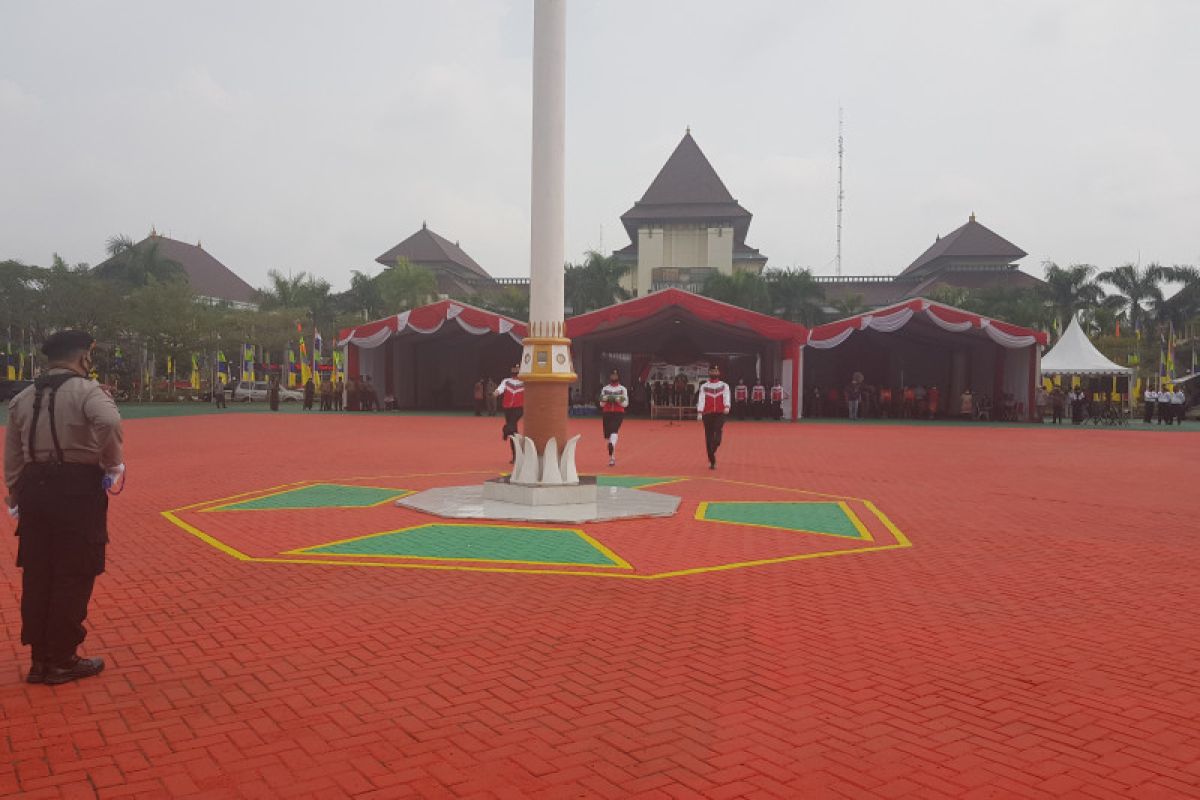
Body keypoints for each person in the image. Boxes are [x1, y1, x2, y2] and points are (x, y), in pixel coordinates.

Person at [4, 330, 123, 685]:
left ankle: (39, 659)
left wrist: (14, 493)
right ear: (84, 357)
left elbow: (11, 454)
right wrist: (112, 463)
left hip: (34, 490)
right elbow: (110, 422)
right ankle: (62, 658)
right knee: (74, 570)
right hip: (76, 488)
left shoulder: (23, 398)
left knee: (39, 572)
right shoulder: (88, 391)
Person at [696, 365, 731, 469]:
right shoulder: (704, 386)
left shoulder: (724, 385)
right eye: (712, 371)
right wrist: (699, 412)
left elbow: (727, 396)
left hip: (720, 413)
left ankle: (713, 448)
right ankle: (712, 461)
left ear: (718, 372)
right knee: (709, 438)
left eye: (715, 371)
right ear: (709, 372)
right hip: (707, 414)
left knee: (717, 436)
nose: (714, 373)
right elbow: (701, 399)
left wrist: (727, 406)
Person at [494, 364, 525, 463]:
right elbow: (501, 388)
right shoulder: (506, 381)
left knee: (510, 426)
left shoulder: (525, 382)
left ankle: (505, 431)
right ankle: (515, 456)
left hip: (519, 407)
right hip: (508, 408)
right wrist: (496, 392)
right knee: (514, 432)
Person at [598, 369, 629, 466]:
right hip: (607, 413)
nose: (613, 377)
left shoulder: (622, 389)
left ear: (618, 377)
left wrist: (617, 400)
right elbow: (601, 403)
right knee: (609, 436)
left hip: (618, 413)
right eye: (612, 375)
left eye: (615, 375)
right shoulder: (605, 388)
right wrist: (607, 399)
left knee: (614, 430)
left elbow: (625, 404)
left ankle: (612, 447)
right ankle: (612, 457)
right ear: (610, 377)